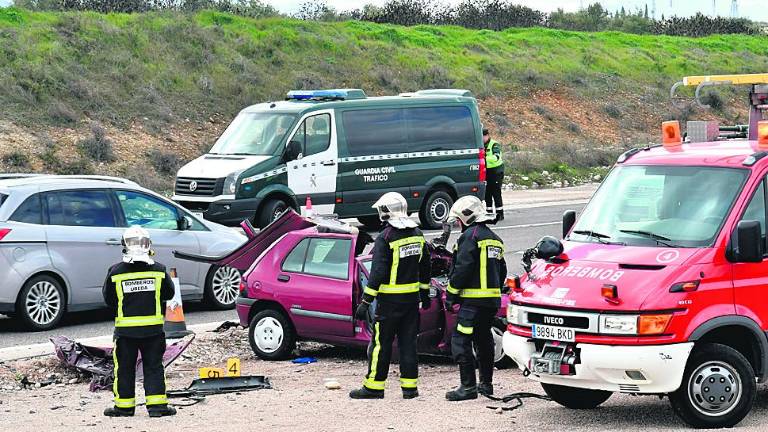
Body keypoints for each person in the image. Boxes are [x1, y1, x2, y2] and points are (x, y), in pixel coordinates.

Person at [349, 192, 431, 399]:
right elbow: (425, 266)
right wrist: (424, 293)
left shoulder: (386, 238)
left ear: (386, 212)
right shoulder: (417, 234)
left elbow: (377, 273)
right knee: (408, 344)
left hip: (389, 304)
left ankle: (374, 387)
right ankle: (410, 388)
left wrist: (365, 302)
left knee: (381, 345)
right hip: (412, 302)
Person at [102, 226, 176, 418]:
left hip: (126, 333)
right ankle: (157, 407)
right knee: (154, 367)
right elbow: (169, 293)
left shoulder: (116, 272)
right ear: (148, 245)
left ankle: (124, 408)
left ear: (124, 246)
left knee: (124, 369)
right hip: (153, 331)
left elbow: (109, 299)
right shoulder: (159, 270)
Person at [445, 195, 506, 401]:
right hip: (490, 303)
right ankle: (486, 385)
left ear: (466, 217)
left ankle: (468, 387)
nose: (458, 225)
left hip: (472, 302)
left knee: (460, 341)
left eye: (458, 220)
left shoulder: (469, 237)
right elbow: (502, 270)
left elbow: (462, 268)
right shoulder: (495, 239)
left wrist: (451, 294)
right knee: (484, 340)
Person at [483, 128, 505, 223]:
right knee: (487, 193)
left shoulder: (494, 144)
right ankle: (489, 213)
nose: (482, 138)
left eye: (483, 136)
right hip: (486, 172)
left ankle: (500, 214)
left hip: (496, 172)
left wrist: (484, 158)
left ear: (487, 135)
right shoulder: (481, 145)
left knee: (496, 192)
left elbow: (496, 157)